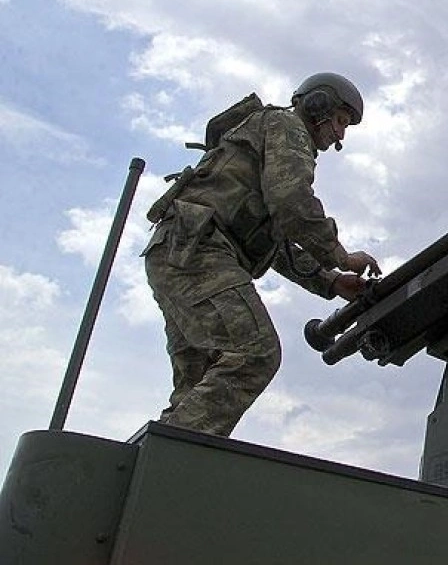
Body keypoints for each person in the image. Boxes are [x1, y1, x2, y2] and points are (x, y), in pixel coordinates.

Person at [141, 72, 382, 436]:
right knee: (255, 353)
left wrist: (331, 282)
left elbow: (280, 242)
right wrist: (341, 257)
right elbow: (292, 204)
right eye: (340, 121)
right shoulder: (288, 127)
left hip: (179, 253)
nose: (340, 136)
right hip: (199, 251)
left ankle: (160, 464)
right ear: (318, 105)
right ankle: (172, 461)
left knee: (200, 385)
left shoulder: (269, 135)